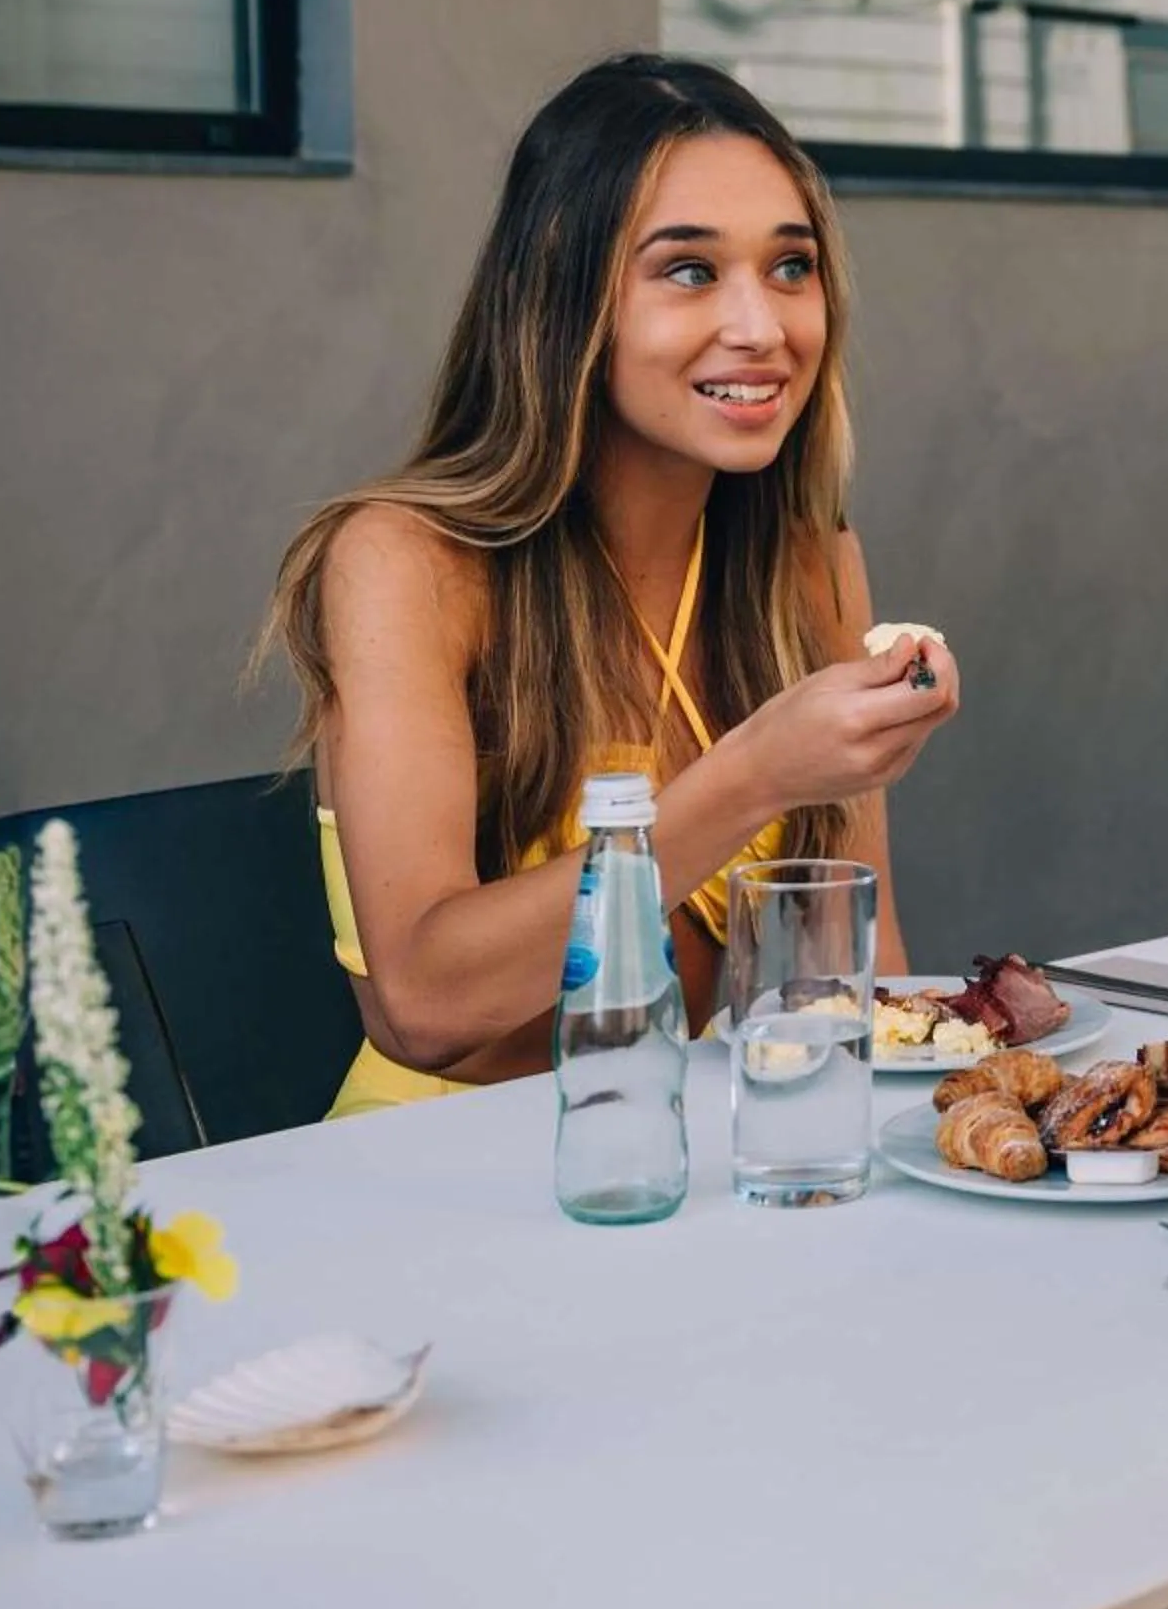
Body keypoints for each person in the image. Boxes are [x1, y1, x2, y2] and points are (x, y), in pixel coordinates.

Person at [258, 55, 960, 1116]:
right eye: (687, 271)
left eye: (790, 268)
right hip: (443, 1188)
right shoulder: (407, 563)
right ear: (562, 292)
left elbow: (865, 993)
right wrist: (756, 777)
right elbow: (424, 1006)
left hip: (723, 1176)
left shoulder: (809, 568)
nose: (763, 328)